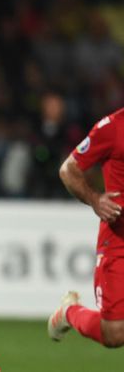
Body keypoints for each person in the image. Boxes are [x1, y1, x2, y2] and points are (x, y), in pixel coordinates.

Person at [48, 108, 124, 348]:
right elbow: (68, 170)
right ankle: (69, 311)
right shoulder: (112, 127)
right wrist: (95, 199)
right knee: (114, 334)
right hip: (119, 239)